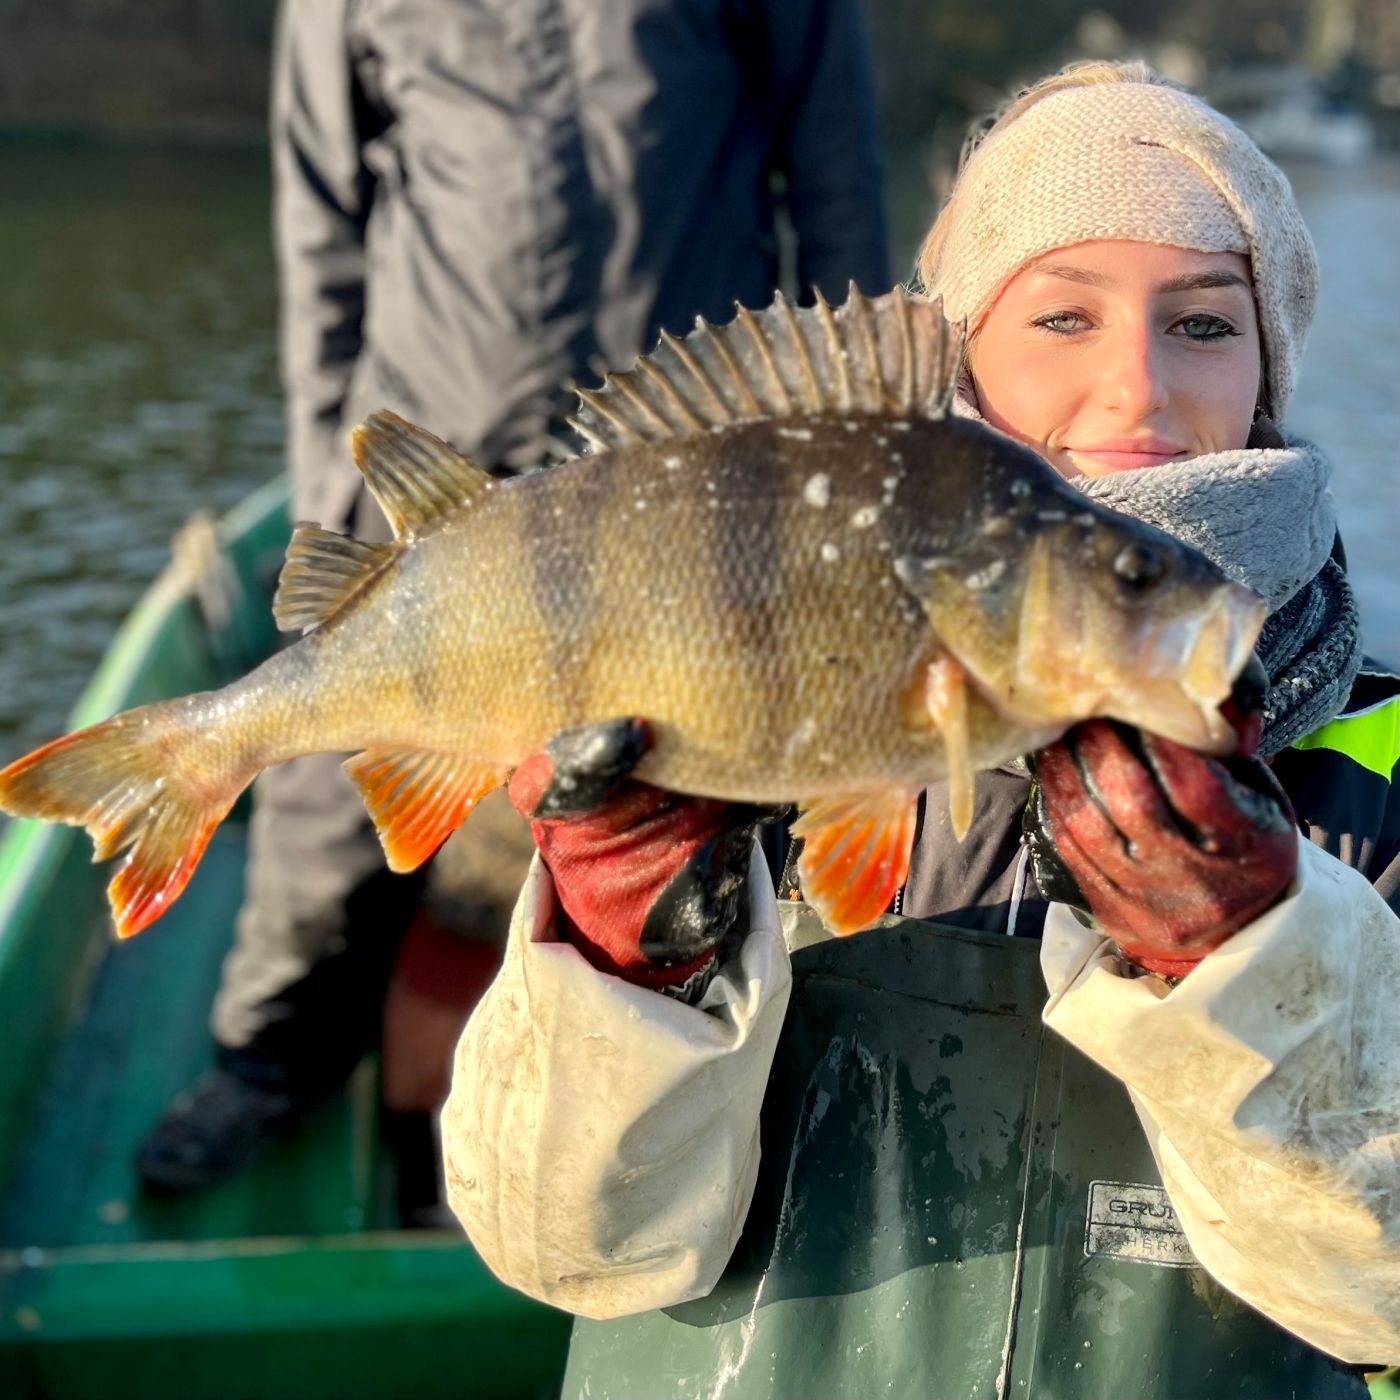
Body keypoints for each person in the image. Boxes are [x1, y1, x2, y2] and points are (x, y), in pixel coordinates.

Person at [441, 61, 1400, 1398]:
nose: (1135, 389)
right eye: (1061, 317)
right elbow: (568, 1250)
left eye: (1201, 325)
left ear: (1268, 366)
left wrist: (1262, 961)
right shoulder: (731, 718)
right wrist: (622, 965)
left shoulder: (1379, 762)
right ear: (957, 365)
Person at [136, 0, 890, 1191]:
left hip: (683, 455)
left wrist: (859, 456)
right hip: (435, 416)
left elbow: (837, 179)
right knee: (341, 783)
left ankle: (767, 1049)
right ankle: (274, 1052)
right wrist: (323, 461)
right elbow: (321, 227)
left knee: (738, 754)